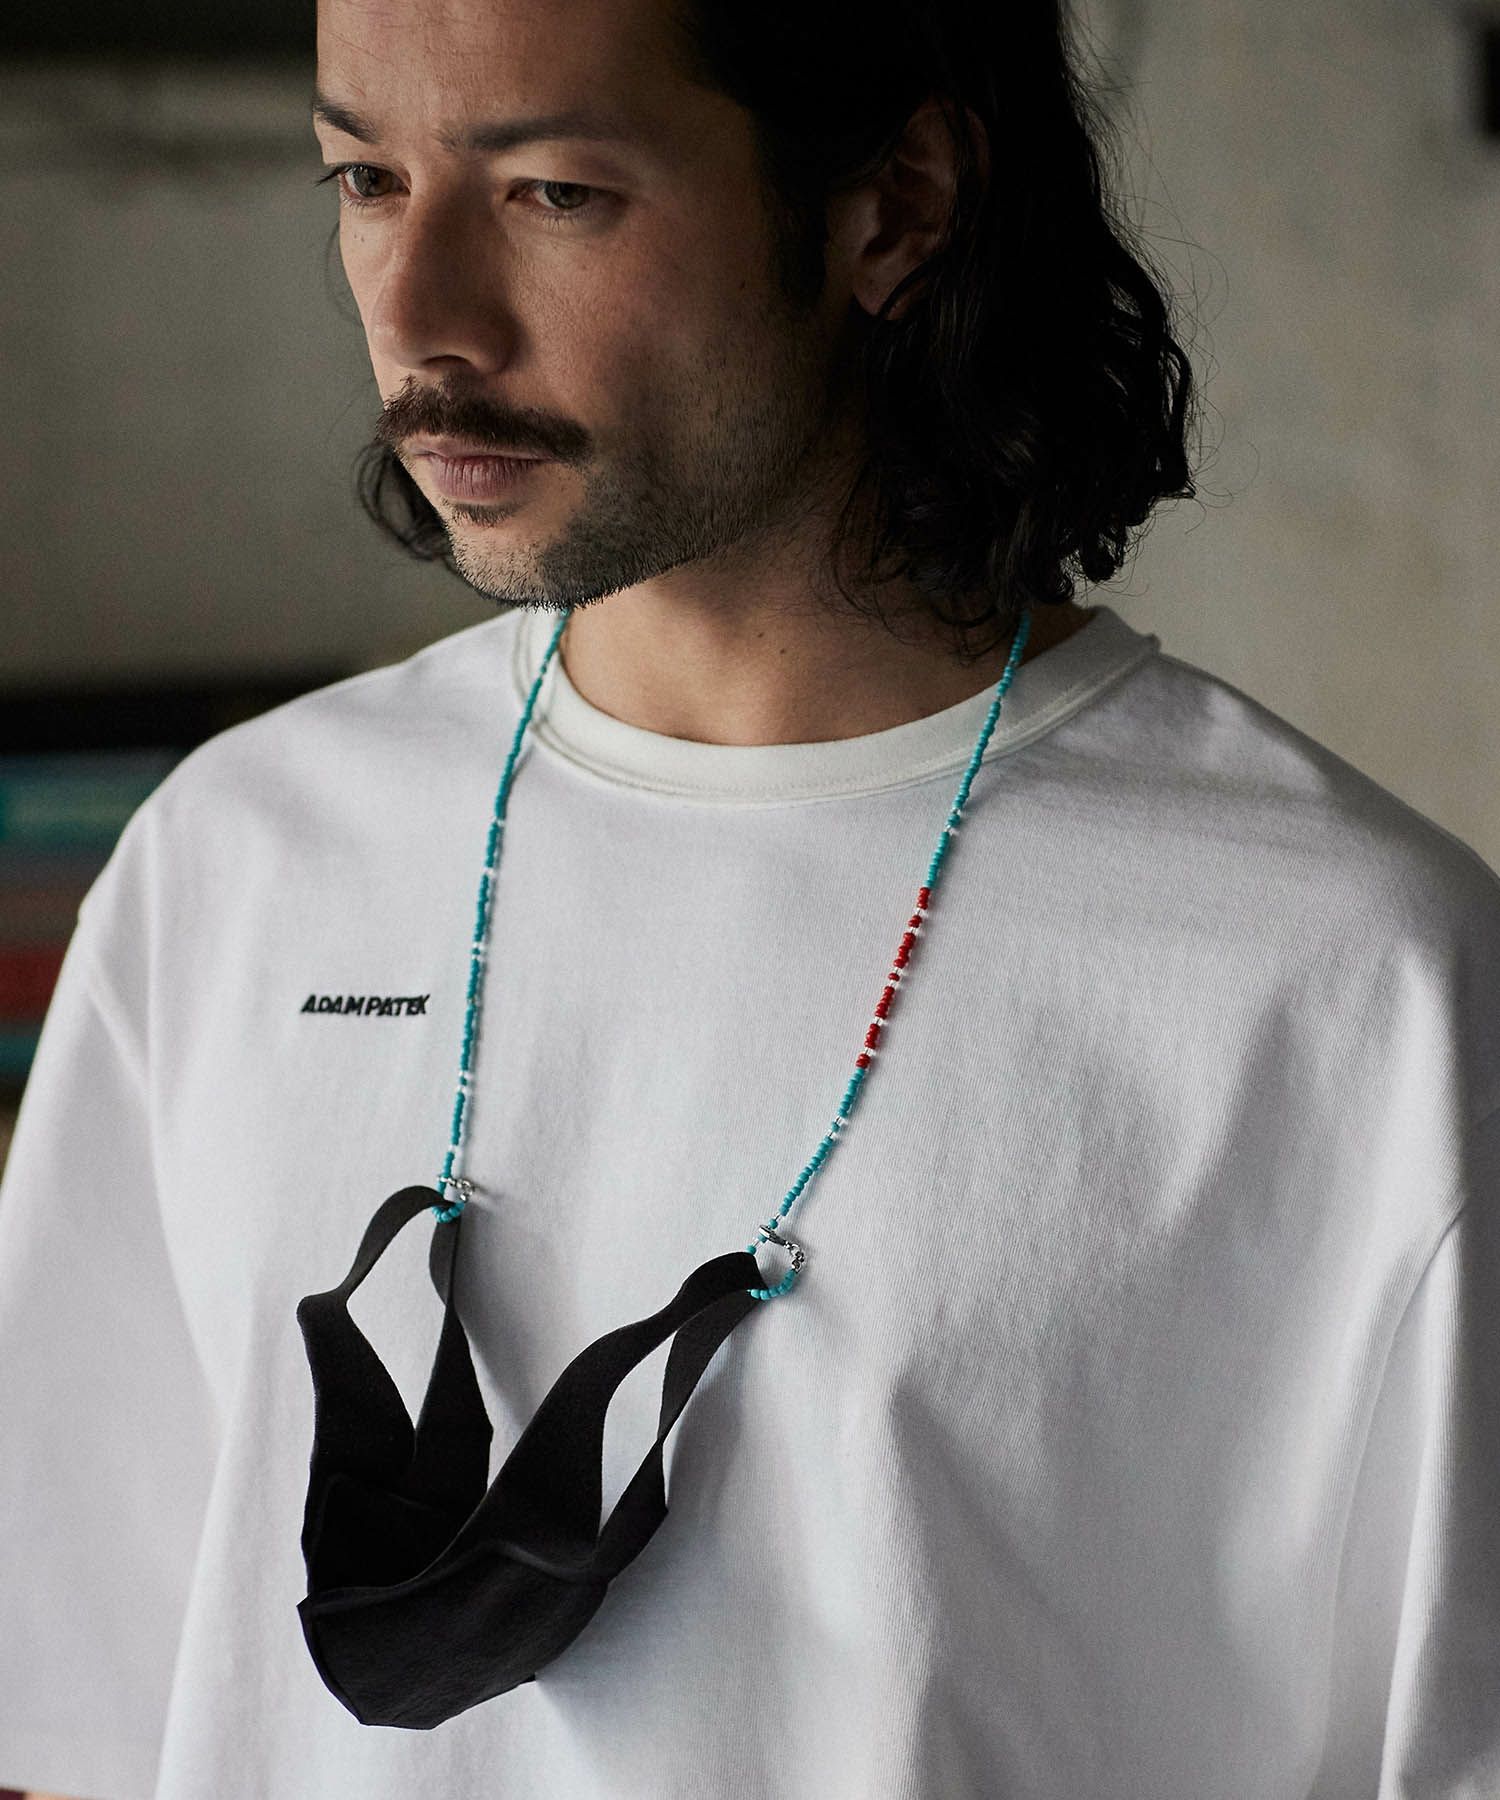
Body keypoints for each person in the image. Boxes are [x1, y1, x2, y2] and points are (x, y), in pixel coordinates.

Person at [2, 0, 1497, 1793]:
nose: (422, 315)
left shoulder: (1356, 981)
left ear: (895, 205)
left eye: (555, 191)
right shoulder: (232, 859)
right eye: (365, 179)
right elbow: (76, 1715)